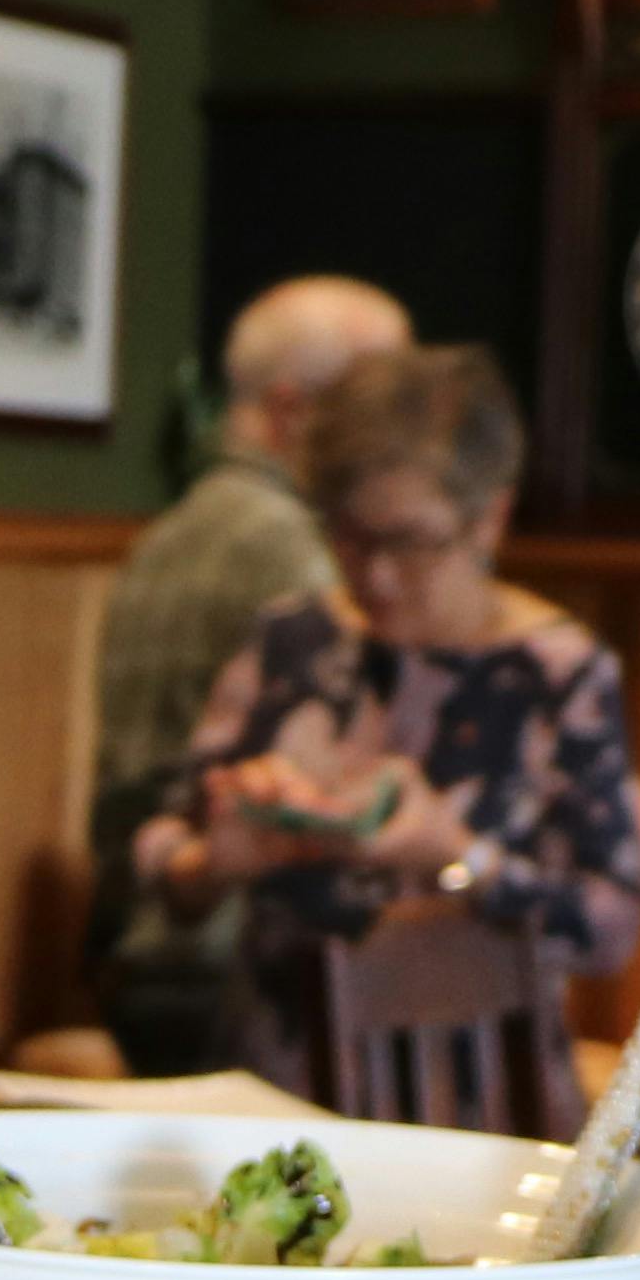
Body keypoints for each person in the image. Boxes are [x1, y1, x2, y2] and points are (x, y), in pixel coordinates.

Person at [125, 343, 640, 1124]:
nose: (374, 575)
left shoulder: (561, 673)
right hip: (282, 1099)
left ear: (489, 518)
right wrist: (215, 862)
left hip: (482, 1112)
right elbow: (160, 848)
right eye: (349, 537)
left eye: (408, 541)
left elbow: (610, 926)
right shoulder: (291, 642)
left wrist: (453, 852)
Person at [85, 275, 407, 1073]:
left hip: (142, 952)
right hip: (231, 975)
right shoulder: (295, 557)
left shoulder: (168, 534)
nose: (399, 434)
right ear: (295, 409)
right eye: (380, 403)